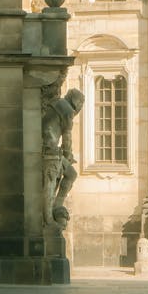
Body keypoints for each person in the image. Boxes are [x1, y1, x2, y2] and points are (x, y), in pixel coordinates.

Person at [40, 89, 84, 227]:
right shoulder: (67, 110)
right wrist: (68, 155)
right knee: (52, 182)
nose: (81, 108)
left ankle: (57, 205)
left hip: (47, 147)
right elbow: (67, 138)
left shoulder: (57, 102)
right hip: (49, 151)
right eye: (81, 104)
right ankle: (48, 217)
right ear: (76, 102)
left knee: (71, 174)